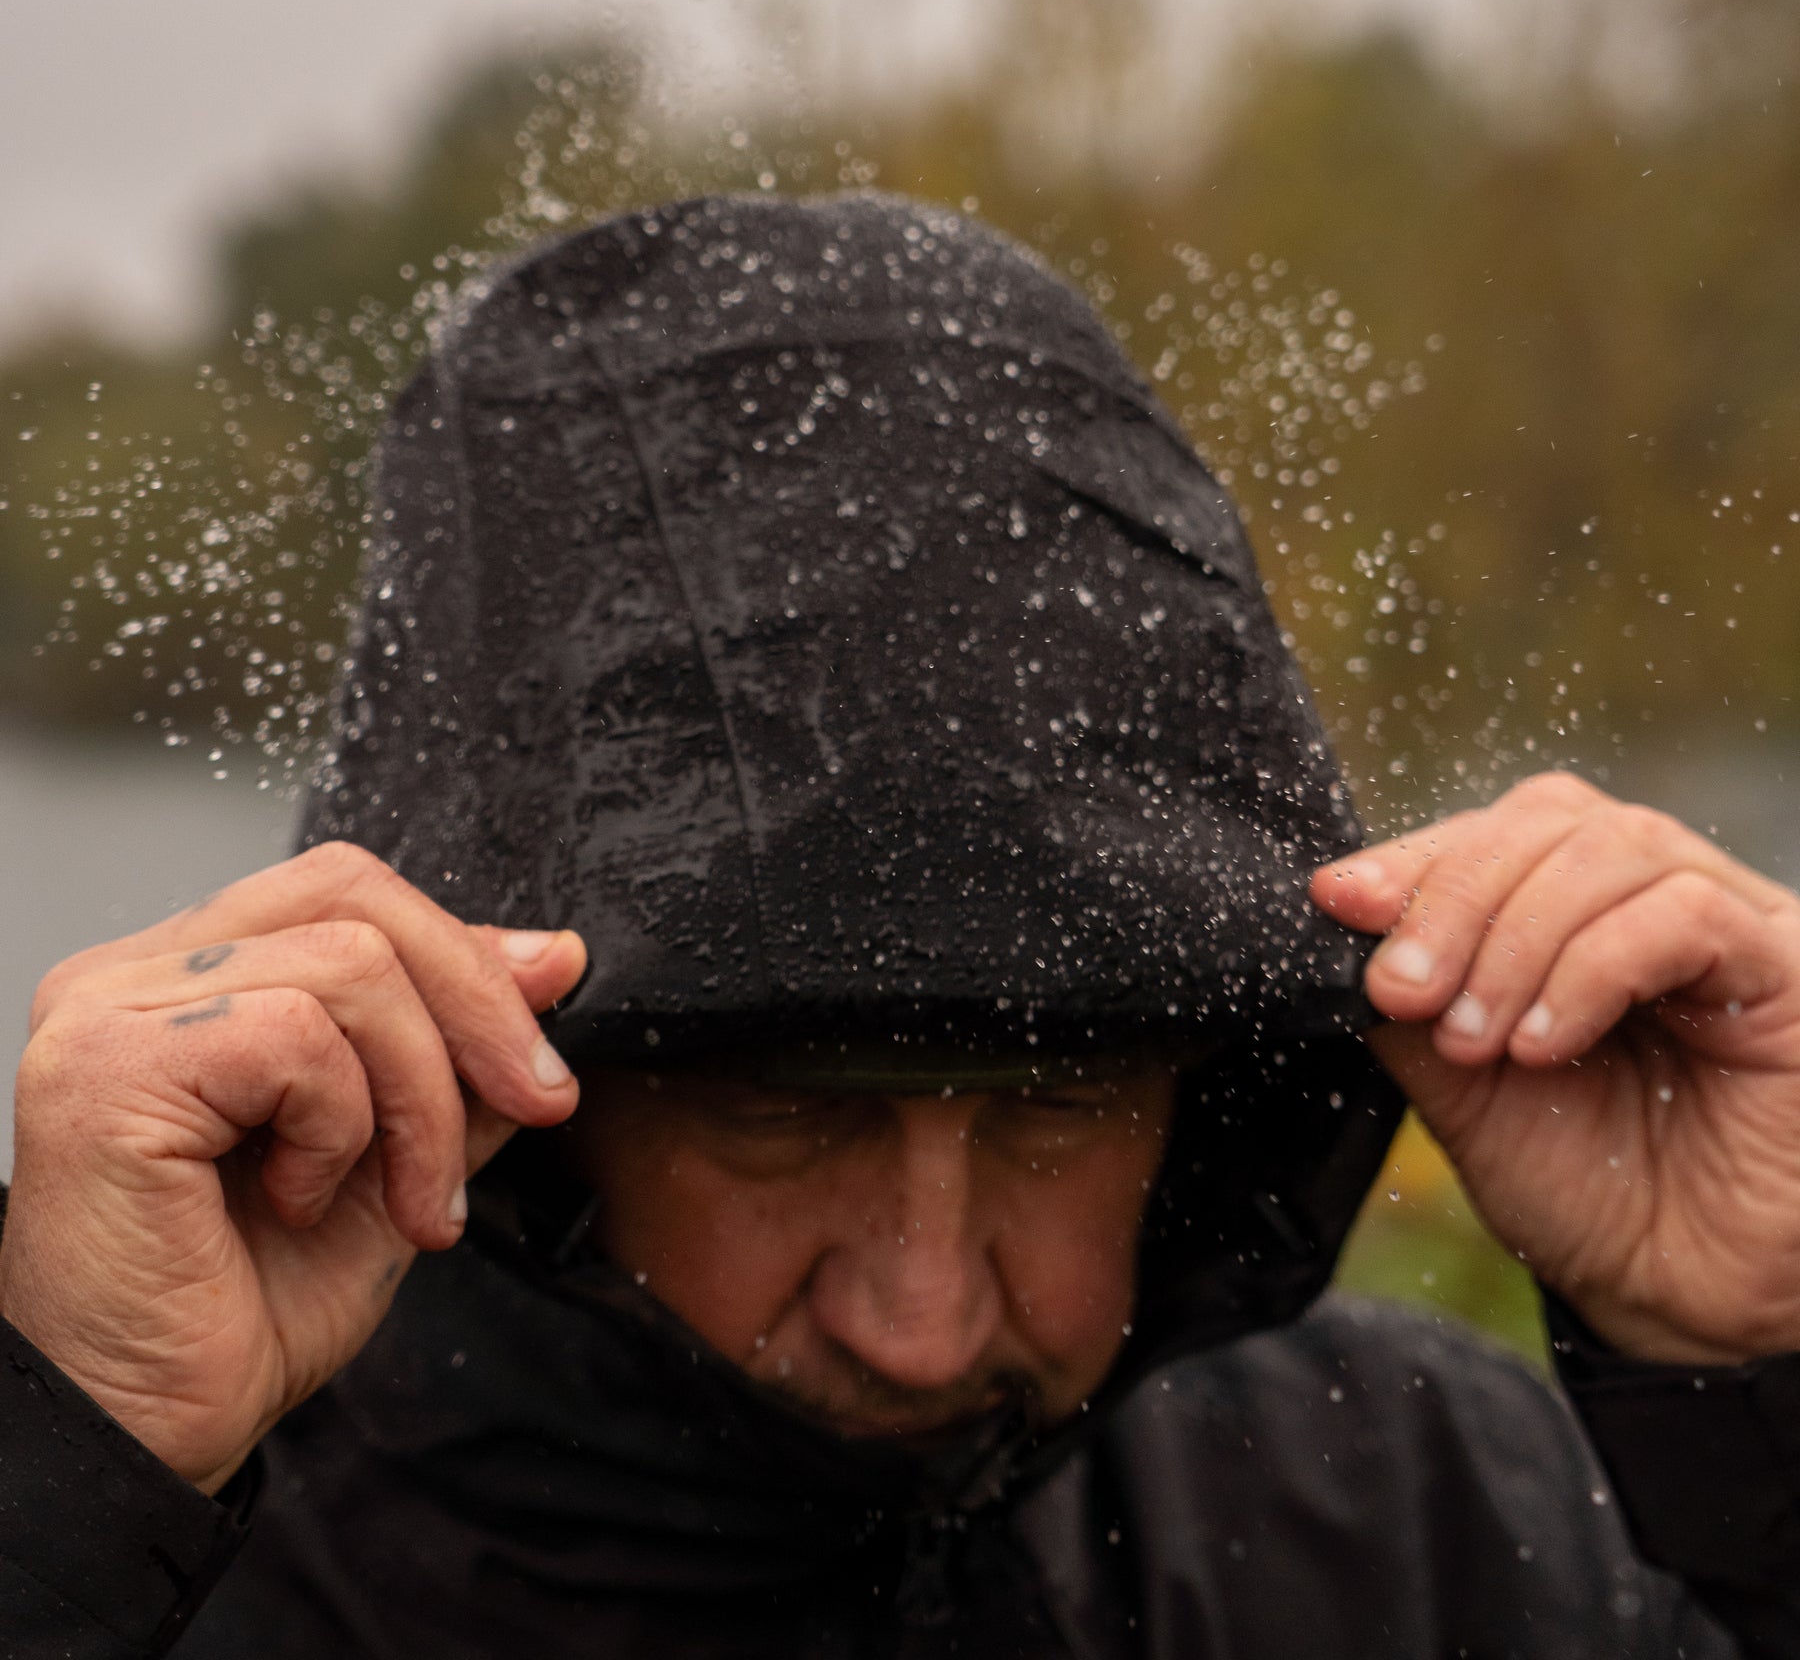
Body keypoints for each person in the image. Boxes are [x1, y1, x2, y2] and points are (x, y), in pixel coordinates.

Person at [1, 193, 1796, 1660]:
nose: (923, 1317)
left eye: (1052, 1111)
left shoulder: (1430, 1524)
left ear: (1212, 1089)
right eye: (789, 1115)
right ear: (524, 1088)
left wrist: (1764, 1376)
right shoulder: (172, 1559)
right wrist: (59, 1490)